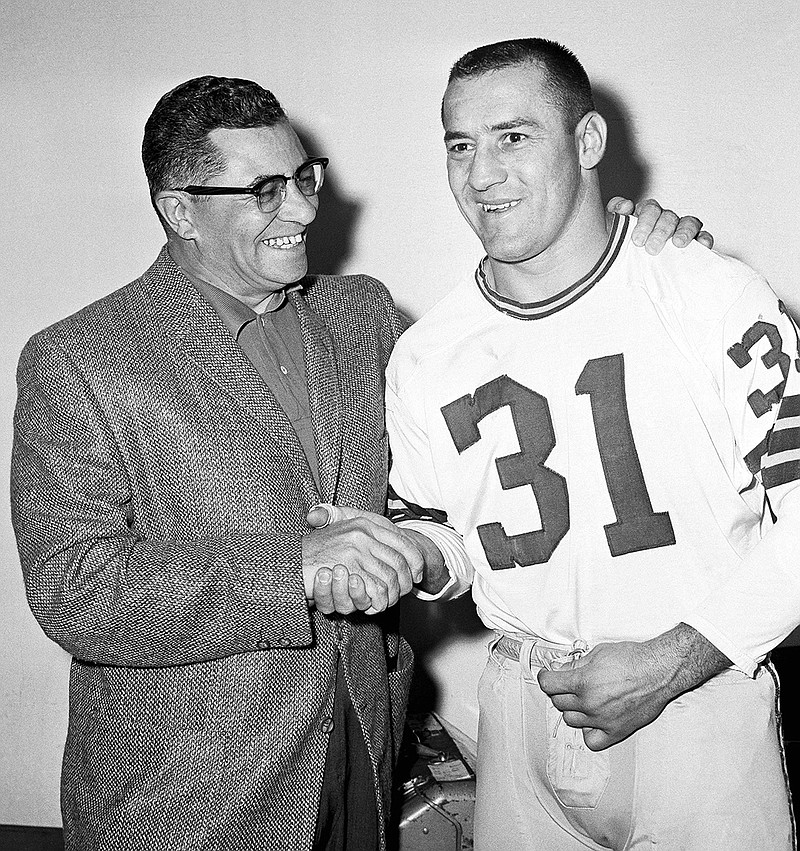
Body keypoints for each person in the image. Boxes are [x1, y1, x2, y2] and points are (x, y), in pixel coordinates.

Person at [11, 73, 702, 850]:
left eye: (303, 178)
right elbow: (74, 588)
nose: (303, 209)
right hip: (192, 792)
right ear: (180, 211)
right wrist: (294, 565)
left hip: (362, 754)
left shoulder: (360, 311)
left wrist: (616, 243)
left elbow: (488, 405)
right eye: (266, 190)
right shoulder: (78, 359)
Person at [377, 38, 798, 851]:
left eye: (513, 136)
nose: (481, 174)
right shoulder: (427, 352)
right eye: (459, 146)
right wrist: (403, 553)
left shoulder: (704, 291)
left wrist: (678, 659)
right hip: (522, 704)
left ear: (589, 142)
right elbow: (447, 539)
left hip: (697, 697)